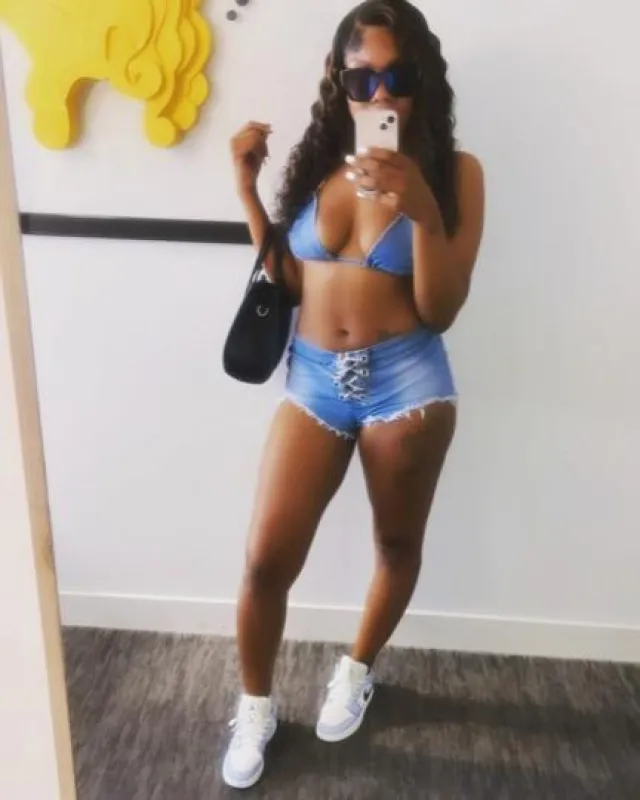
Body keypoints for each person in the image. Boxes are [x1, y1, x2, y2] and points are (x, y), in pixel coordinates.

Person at [223, 0, 485, 789]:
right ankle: (256, 705)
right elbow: (287, 280)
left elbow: (440, 308)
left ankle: (357, 666)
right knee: (264, 560)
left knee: (396, 546)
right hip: (312, 381)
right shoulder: (318, 164)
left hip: (407, 382)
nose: (381, 95)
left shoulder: (456, 173)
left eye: (397, 77)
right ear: (337, 82)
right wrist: (248, 192)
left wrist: (424, 210)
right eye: (361, 78)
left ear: (422, 80)